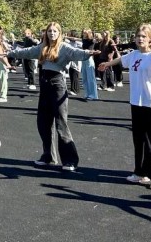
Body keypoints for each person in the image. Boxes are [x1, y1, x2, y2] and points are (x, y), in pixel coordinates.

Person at [7, 22, 98, 171]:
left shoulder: (64, 48)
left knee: (61, 123)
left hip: (58, 86)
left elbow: (77, 53)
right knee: (43, 122)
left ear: (59, 33)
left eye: (55, 31)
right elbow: (27, 52)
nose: (52, 33)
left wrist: (88, 53)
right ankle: (48, 156)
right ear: (46, 33)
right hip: (45, 85)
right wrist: (10, 53)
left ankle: (70, 160)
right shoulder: (42, 47)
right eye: (50, 31)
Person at [98, 24, 151, 190]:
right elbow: (121, 60)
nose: (140, 39)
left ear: (150, 39)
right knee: (139, 139)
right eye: (138, 36)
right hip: (136, 103)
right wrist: (107, 65)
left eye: (144, 36)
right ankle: (141, 172)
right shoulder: (134, 54)